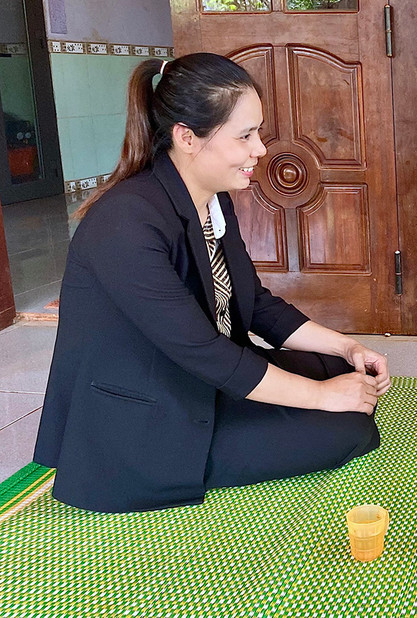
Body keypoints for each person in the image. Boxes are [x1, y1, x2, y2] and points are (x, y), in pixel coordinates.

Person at [33, 54, 390, 513]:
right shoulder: (126, 223)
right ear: (186, 137)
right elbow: (200, 349)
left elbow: (255, 303)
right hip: (148, 420)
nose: (260, 150)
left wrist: (346, 348)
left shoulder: (211, 200)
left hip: (201, 380)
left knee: (339, 375)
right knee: (345, 428)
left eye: (257, 133)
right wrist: (321, 398)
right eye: (244, 136)